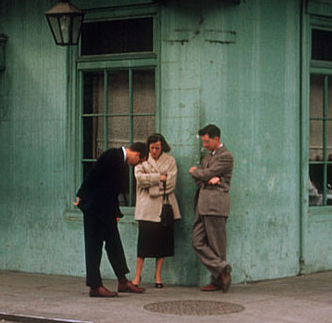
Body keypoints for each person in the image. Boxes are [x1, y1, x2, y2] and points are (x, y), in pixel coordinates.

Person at [74, 142, 149, 298]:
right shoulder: (112, 155)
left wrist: (115, 212)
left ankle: (122, 280)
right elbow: (92, 174)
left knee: (114, 244)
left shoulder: (119, 161)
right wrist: (81, 195)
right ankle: (95, 286)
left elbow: (112, 190)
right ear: (136, 154)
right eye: (140, 161)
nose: (137, 164)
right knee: (94, 247)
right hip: (94, 208)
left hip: (106, 210)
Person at [189, 123, 233, 292]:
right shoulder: (207, 157)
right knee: (197, 241)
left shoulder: (226, 156)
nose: (204, 145)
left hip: (215, 204)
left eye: (207, 142)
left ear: (216, 139)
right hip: (202, 204)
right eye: (203, 142)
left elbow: (201, 173)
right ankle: (222, 268)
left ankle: (218, 280)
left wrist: (199, 173)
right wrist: (206, 177)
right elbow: (200, 178)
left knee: (217, 244)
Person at [132, 133, 180, 288]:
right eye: (151, 148)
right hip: (147, 210)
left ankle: (158, 276)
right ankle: (137, 277)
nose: (154, 151)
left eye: (157, 148)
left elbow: (171, 184)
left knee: (162, 245)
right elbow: (139, 179)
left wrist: (151, 185)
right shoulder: (142, 159)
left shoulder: (170, 161)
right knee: (143, 245)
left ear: (162, 147)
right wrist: (160, 177)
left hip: (163, 208)